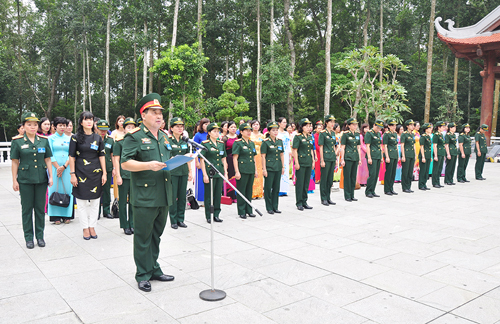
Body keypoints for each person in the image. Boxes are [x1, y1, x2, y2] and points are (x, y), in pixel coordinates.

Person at [121, 93, 175, 292]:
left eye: (160, 112)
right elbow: (125, 163)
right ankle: (142, 274)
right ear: (143, 115)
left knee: (156, 235)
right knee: (143, 237)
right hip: (144, 196)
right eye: (154, 112)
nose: (159, 116)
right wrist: (147, 165)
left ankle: (154, 268)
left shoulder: (164, 136)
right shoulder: (134, 137)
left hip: (163, 194)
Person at [11, 112, 53, 249]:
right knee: (27, 210)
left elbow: (47, 159)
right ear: (23, 126)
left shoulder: (43, 140)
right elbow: (15, 162)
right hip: (25, 180)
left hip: (41, 179)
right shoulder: (17, 141)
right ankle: (28, 237)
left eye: (35, 125)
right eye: (29, 125)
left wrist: (51, 176)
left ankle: (40, 236)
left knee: (40, 209)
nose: (32, 127)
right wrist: (14, 180)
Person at [69, 111, 106, 240]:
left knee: (96, 201)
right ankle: (85, 228)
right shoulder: (75, 137)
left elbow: (101, 155)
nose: (89, 122)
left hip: (95, 172)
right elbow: (72, 156)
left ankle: (92, 226)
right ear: (81, 122)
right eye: (86, 119)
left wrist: (104, 173)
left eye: (91, 119)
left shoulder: (98, 137)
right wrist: (72, 174)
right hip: (80, 172)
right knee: (82, 202)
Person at [200, 122, 227, 223]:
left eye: (218, 131)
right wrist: (204, 174)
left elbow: (223, 159)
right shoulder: (205, 144)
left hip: (219, 172)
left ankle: (216, 214)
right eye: (214, 131)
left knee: (218, 194)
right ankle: (208, 215)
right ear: (209, 133)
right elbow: (202, 159)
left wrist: (226, 172)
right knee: (209, 195)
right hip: (209, 172)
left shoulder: (221, 144)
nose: (217, 133)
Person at [48, 117, 73, 225]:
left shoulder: (70, 139)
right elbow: (50, 154)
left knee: (67, 189)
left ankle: (66, 215)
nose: (63, 127)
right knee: (55, 189)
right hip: (54, 167)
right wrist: (58, 167)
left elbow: (71, 154)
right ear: (55, 126)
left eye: (64, 125)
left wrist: (64, 166)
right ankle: (55, 216)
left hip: (67, 168)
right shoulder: (50, 138)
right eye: (60, 125)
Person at [113, 117, 136, 235]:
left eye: (133, 127)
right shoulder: (119, 142)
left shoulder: (137, 142)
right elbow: (116, 160)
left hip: (135, 175)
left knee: (133, 201)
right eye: (128, 127)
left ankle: (132, 223)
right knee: (122, 201)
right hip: (123, 174)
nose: (131, 129)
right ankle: (124, 224)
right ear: (124, 128)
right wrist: (118, 175)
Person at [168, 117, 192, 228]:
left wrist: (190, 171)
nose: (180, 128)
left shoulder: (185, 141)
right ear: (171, 128)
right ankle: (173, 220)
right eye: (177, 126)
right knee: (173, 197)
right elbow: (166, 156)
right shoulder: (167, 140)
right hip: (173, 172)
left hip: (183, 171)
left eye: (181, 126)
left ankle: (180, 219)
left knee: (182, 196)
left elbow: (188, 156)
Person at [233, 123, 258, 218]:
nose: (249, 132)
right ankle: (241, 211)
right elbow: (235, 158)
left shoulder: (251, 143)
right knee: (241, 191)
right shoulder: (238, 143)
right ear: (241, 132)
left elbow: (253, 158)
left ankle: (249, 209)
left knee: (249, 190)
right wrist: (237, 171)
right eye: (246, 130)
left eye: (250, 130)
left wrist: (255, 170)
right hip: (242, 170)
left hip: (250, 169)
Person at [261, 121, 284, 214]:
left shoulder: (279, 141)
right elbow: (263, 156)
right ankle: (269, 207)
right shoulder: (265, 142)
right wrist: (264, 169)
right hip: (269, 168)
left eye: (276, 130)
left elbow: (281, 155)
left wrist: (283, 167)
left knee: (276, 187)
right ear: (269, 131)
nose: (275, 132)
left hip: (278, 167)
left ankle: (275, 206)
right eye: (273, 130)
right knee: (268, 188)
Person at [292, 118, 315, 209]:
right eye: (307, 126)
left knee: (306, 183)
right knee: (300, 183)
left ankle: (305, 201)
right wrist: (296, 163)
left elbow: (311, 150)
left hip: (308, 162)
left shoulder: (310, 137)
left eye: (309, 126)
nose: (309, 128)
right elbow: (294, 150)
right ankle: (299, 202)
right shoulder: (298, 137)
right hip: (301, 162)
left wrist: (313, 161)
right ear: (302, 127)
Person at [96, 120, 114, 219]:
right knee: (97, 190)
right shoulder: (93, 139)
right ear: (97, 129)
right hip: (96, 169)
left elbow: (112, 155)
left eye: (105, 130)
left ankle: (106, 211)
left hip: (108, 168)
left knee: (107, 190)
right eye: (101, 129)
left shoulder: (110, 140)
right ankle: (97, 212)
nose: (103, 132)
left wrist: (114, 167)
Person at [340, 118, 361, 202]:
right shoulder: (345, 134)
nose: (355, 126)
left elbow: (358, 147)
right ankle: (347, 195)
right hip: (348, 157)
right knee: (347, 177)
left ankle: (352, 194)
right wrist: (342, 159)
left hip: (355, 157)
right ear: (348, 125)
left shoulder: (357, 134)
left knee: (353, 177)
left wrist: (359, 158)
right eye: (353, 124)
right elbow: (342, 147)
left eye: (356, 124)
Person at [318, 115, 337, 205]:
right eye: (331, 122)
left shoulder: (333, 133)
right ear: (326, 123)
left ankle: (328, 197)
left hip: (332, 157)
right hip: (325, 158)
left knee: (330, 179)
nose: (333, 124)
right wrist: (322, 160)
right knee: (324, 179)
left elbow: (334, 146)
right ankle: (323, 198)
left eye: (333, 122)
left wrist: (336, 157)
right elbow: (321, 147)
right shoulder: (323, 133)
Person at [365, 120, 384, 198]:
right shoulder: (369, 133)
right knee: (372, 174)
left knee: (376, 175)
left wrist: (381, 156)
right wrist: (369, 157)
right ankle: (368, 191)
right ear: (374, 125)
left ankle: (373, 190)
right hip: (372, 156)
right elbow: (368, 146)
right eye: (378, 127)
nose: (379, 129)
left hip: (378, 156)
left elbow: (379, 146)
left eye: (380, 128)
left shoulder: (379, 134)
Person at [193, 118, 210, 205]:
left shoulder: (211, 134)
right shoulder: (198, 135)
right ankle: (200, 199)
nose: (207, 126)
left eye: (208, 124)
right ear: (201, 125)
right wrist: (197, 161)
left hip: (210, 159)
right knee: (201, 179)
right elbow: (195, 148)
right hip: (200, 158)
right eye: (205, 124)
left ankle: (209, 198)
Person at [383, 119, 399, 195]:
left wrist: (398, 155)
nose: (394, 127)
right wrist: (387, 156)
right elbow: (385, 146)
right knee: (388, 172)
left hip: (395, 154)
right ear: (389, 126)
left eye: (395, 125)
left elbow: (396, 145)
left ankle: (391, 188)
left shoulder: (395, 134)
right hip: (389, 154)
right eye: (392, 125)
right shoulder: (386, 134)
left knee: (393, 173)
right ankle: (387, 189)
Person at [250, 120, 265, 199]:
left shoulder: (262, 136)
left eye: (257, 124)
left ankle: (259, 192)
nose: (256, 126)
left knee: (260, 173)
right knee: (253, 173)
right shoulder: (249, 135)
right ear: (251, 126)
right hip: (252, 155)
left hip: (260, 156)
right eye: (254, 124)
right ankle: (252, 193)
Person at [223, 121, 238, 201]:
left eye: (235, 127)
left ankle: (237, 195)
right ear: (228, 128)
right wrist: (225, 162)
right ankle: (230, 196)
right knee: (230, 176)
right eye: (231, 127)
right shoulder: (225, 138)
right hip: (229, 159)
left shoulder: (238, 137)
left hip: (238, 159)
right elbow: (223, 151)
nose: (233, 129)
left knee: (237, 176)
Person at [400, 119, 416, 193]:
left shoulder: (412, 134)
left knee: (410, 171)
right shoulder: (404, 134)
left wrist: (415, 154)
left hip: (412, 154)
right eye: (411, 125)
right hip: (406, 154)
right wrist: (403, 155)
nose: (413, 126)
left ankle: (409, 186)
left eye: (413, 125)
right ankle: (404, 187)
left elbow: (414, 145)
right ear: (407, 126)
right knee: (405, 171)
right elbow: (402, 145)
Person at [277, 117, 291, 196]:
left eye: (286, 122)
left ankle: (284, 189)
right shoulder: (277, 133)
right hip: (279, 154)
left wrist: (289, 155)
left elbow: (288, 144)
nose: (285, 124)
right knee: (279, 170)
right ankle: (278, 189)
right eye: (283, 122)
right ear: (279, 123)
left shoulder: (286, 133)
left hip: (285, 154)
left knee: (285, 171)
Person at [432, 121, 446, 188]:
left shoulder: (440, 134)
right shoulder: (436, 135)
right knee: (436, 168)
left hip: (441, 153)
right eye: (442, 127)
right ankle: (435, 182)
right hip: (437, 153)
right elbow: (434, 145)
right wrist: (435, 155)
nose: (444, 128)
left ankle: (438, 181)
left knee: (439, 168)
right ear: (438, 127)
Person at [418, 123, 432, 191]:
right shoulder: (423, 137)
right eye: (429, 128)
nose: (430, 129)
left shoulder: (428, 136)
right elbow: (422, 147)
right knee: (423, 170)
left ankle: (424, 184)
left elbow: (429, 147)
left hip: (428, 155)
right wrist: (423, 156)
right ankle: (421, 184)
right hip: (424, 155)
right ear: (426, 129)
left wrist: (430, 156)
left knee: (426, 171)